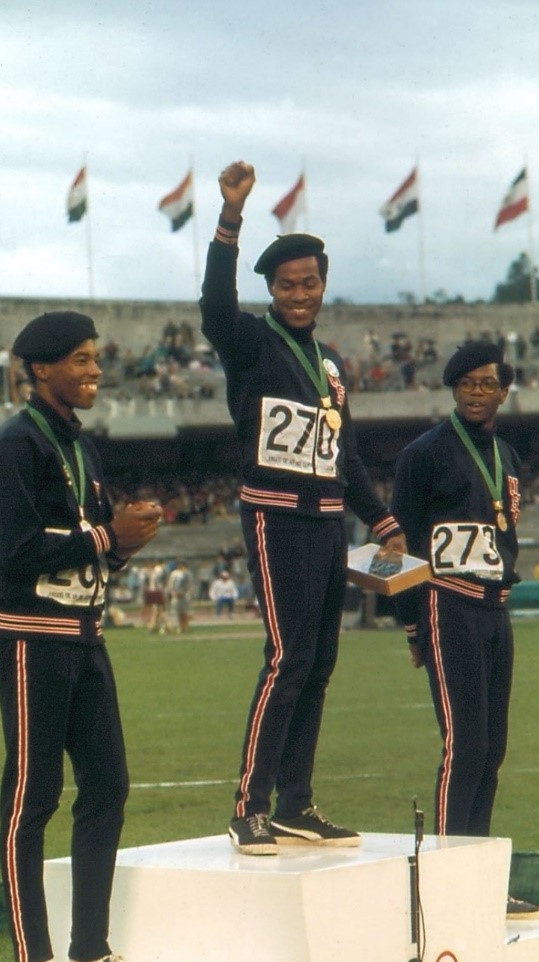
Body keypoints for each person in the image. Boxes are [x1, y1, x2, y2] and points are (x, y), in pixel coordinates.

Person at [200, 160, 406, 855]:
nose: (298, 294)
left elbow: (342, 451)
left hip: (327, 523)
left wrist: (380, 517)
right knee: (288, 655)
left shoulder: (331, 363)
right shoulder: (252, 343)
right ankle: (249, 806)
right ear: (271, 290)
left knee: (318, 662)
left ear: (323, 285)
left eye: (309, 283)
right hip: (274, 514)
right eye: (286, 285)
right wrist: (230, 221)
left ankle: (296, 801)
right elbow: (212, 309)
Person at [0, 310, 170, 962]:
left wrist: (125, 539)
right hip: (29, 637)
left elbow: (90, 539)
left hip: (84, 636)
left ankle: (88, 954)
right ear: (42, 369)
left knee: (109, 786)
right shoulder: (12, 448)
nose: (93, 371)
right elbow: (18, 549)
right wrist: (100, 537)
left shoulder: (80, 447)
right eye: (81, 361)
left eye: (95, 359)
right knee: (32, 796)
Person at [391, 340, 538, 920]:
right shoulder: (423, 454)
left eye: (489, 384)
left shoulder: (509, 455)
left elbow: (505, 535)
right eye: (468, 383)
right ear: (454, 388)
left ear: (505, 391)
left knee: (492, 749)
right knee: (465, 745)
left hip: (495, 609)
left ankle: (479, 883)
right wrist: (410, 626)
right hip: (446, 605)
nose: (479, 393)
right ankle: (449, 885)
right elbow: (399, 542)